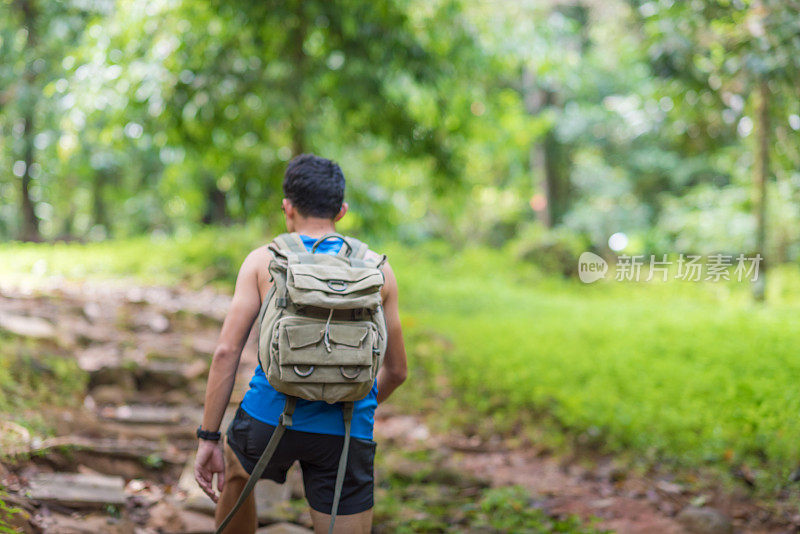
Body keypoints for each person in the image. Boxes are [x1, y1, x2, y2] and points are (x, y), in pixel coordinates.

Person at [194, 154, 408, 534]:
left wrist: (208, 437)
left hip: (268, 416)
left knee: (236, 467)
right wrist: (352, 396)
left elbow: (226, 353)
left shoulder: (264, 261)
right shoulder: (378, 269)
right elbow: (397, 371)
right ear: (341, 211)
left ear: (287, 207)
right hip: (346, 426)